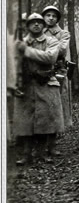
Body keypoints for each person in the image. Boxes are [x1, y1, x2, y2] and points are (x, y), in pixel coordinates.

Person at [13, 13, 64, 165]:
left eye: (39, 22)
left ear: (43, 25)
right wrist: (15, 83)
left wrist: (27, 51)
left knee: (44, 120)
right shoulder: (21, 42)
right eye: (32, 23)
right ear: (27, 26)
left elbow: (50, 57)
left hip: (45, 83)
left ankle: (42, 154)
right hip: (26, 85)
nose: (36, 25)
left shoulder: (51, 40)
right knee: (25, 121)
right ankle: (26, 155)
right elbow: (13, 63)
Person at [41, 6, 72, 134]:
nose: (51, 18)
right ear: (43, 17)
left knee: (59, 97)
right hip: (41, 68)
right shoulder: (39, 32)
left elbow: (62, 50)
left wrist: (44, 50)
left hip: (58, 68)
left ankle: (60, 127)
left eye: (54, 16)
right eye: (48, 15)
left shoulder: (63, 33)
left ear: (57, 19)